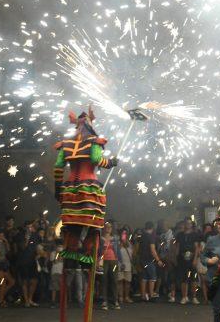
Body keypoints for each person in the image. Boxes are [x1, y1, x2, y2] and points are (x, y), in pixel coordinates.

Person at [53, 107, 118, 318]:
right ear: (90, 124)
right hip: (88, 190)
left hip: (70, 190)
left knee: (72, 226)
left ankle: (72, 255)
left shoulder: (67, 144)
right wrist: (112, 162)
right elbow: (98, 161)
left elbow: (58, 167)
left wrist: (57, 188)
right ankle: (88, 257)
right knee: (92, 227)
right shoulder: (94, 142)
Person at [175, 221, 200, 305]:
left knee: (193, 279)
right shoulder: (179, 235)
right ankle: (184, 297)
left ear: (192, 225)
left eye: (189, 223)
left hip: (192, 258)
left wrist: (195, 259)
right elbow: (177, 246)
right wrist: (176, 257)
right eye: (186, 223)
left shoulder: (195, 234)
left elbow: (196, 247)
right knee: (183, 278)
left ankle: (194, 297)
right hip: (182, 259)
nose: (187, 225)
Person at [17, 221, 41, 307]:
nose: (29, 228)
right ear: (25, 228)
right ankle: (26, 300)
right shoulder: (20, 235)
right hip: (23, 261)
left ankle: (30, 299)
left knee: (34, 281)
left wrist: (39, 253)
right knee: (24, 281)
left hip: (33, 261)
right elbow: (22, 247)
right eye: (27, 227)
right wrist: (27, 239)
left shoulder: (36, 235)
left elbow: (38, 246)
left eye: (31, 227)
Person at [138, 221, 164, 302]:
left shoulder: (142, 236)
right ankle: (151, 295)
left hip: (142, 260)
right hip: (149, 260)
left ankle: (143, 296)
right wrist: (158, 260)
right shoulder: (151, 237)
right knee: (152, 277)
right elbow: (152, 250)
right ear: (152, 228)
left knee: (144, 277)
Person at [98, 221, 121, 310]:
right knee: (104, 280)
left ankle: (115, 300)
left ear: (112, 228)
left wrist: (120, 261)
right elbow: (98, 250)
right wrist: (97, 260)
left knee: (114, 280)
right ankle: (104, 301)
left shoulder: (115, 238)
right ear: (104, 228)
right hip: (104, 261)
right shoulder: (100, 238)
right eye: (107, 227)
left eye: (110, 227)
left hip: (114, 261)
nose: (108, 228)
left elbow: (118, 250)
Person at [0, 231, 15, 307]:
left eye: (3, 235)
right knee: (2, 282)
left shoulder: (4, 243)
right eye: (0, 235)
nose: (1, 237)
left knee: (12, 281)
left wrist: (6, 242)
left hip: (4, 264)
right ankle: (1, 300)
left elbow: (8, 251)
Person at [117, 228, 134, 304]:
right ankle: (120, 297)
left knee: (127, 281)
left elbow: (133, 253)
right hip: (119, 264)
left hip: (128, 264)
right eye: (122, 233)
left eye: (125, 234)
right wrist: (121, 244)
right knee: (120, 281)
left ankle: (126, 297)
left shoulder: (129, 243)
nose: (124, 235)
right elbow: (116, 252)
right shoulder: (117, 242)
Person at [49, 242, 64, 308]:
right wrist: (57, 254)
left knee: (61, 288)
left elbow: (63, 260)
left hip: (62, 272)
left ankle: (61, 302)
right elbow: (55, 261)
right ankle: (53, 301)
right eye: (58, 246)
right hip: (54, 272)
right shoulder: (53, 253)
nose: (59, 248)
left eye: (61, 246)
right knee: (54, 288)